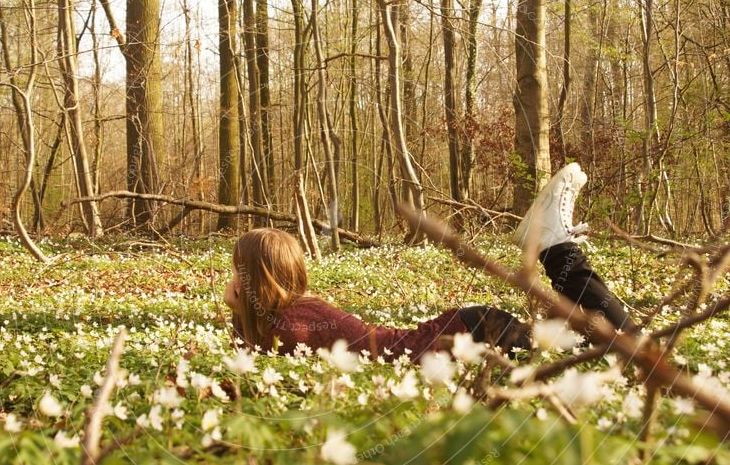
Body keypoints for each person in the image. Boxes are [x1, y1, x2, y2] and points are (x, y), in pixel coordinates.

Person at [224, 163, 635, 362]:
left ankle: (553, 244)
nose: (228, 282)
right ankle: (552, 245)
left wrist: (238, 311)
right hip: (459, 333)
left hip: (467, 334)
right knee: (595, 344)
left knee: (613, 342)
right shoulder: (282, 320)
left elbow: (262, 349)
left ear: (253, 280)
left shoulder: (293, 323)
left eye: (234, 272)